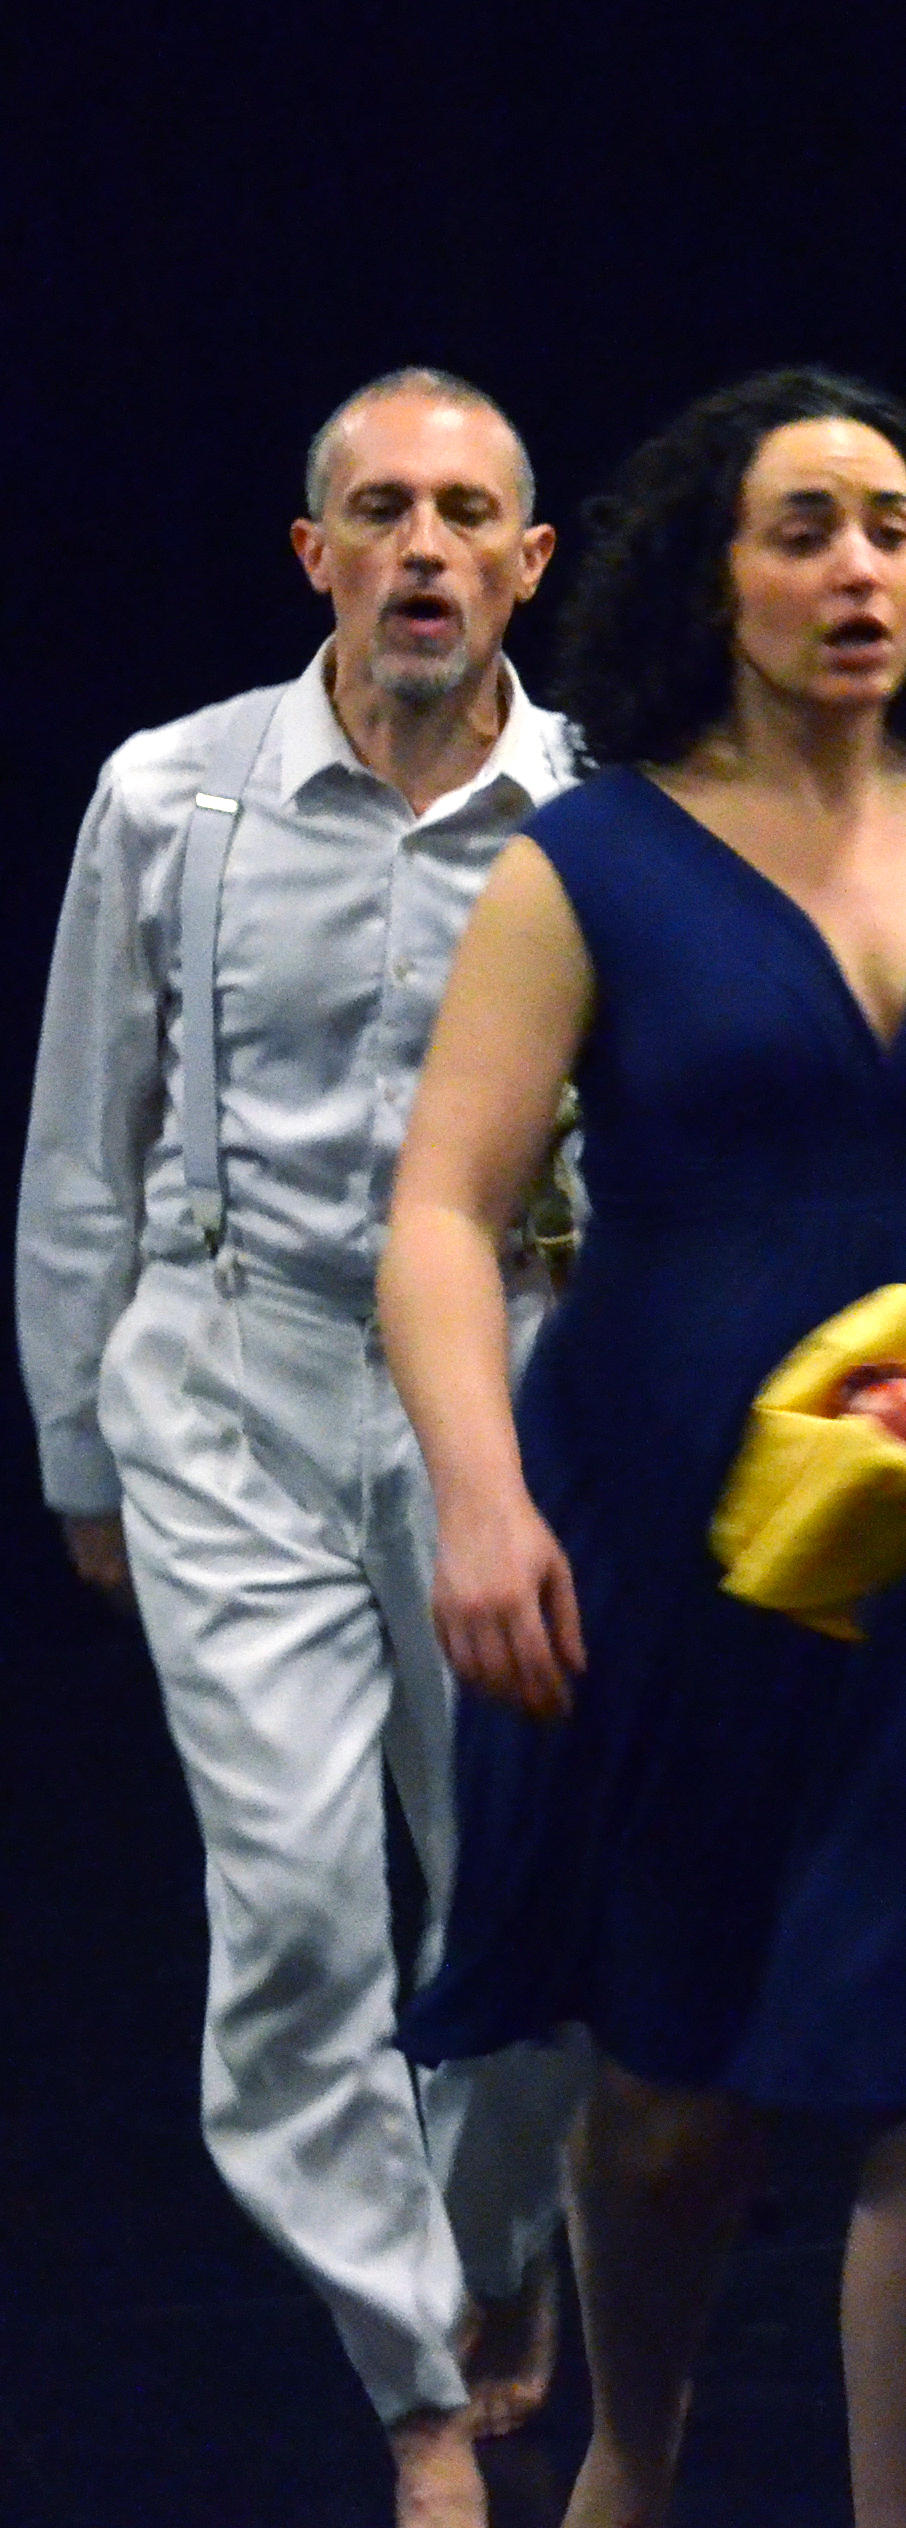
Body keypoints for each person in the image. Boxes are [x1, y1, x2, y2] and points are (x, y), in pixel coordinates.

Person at [385, 369, 906, 2528]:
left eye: (890, 526)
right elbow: (440, 1208)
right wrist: (481, 1496)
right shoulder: (589, 859)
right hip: (670, 1521)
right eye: (803, 527)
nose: (856, 568)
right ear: (712, 574)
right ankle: (637, 2455)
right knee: (681, 2088)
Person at [16, 371, 589, 2528]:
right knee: (288, 1920)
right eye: (382, 511)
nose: (424, 547)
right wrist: (83, 1443)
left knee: (527, 1900)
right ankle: (415, 2392)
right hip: (231, 1385)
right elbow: (89, 1134)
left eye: (465, 514)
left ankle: (491, 2249)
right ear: (316, 556)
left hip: (507, 1400)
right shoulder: (175, 797)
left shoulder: (594, 813)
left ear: (530, 562)